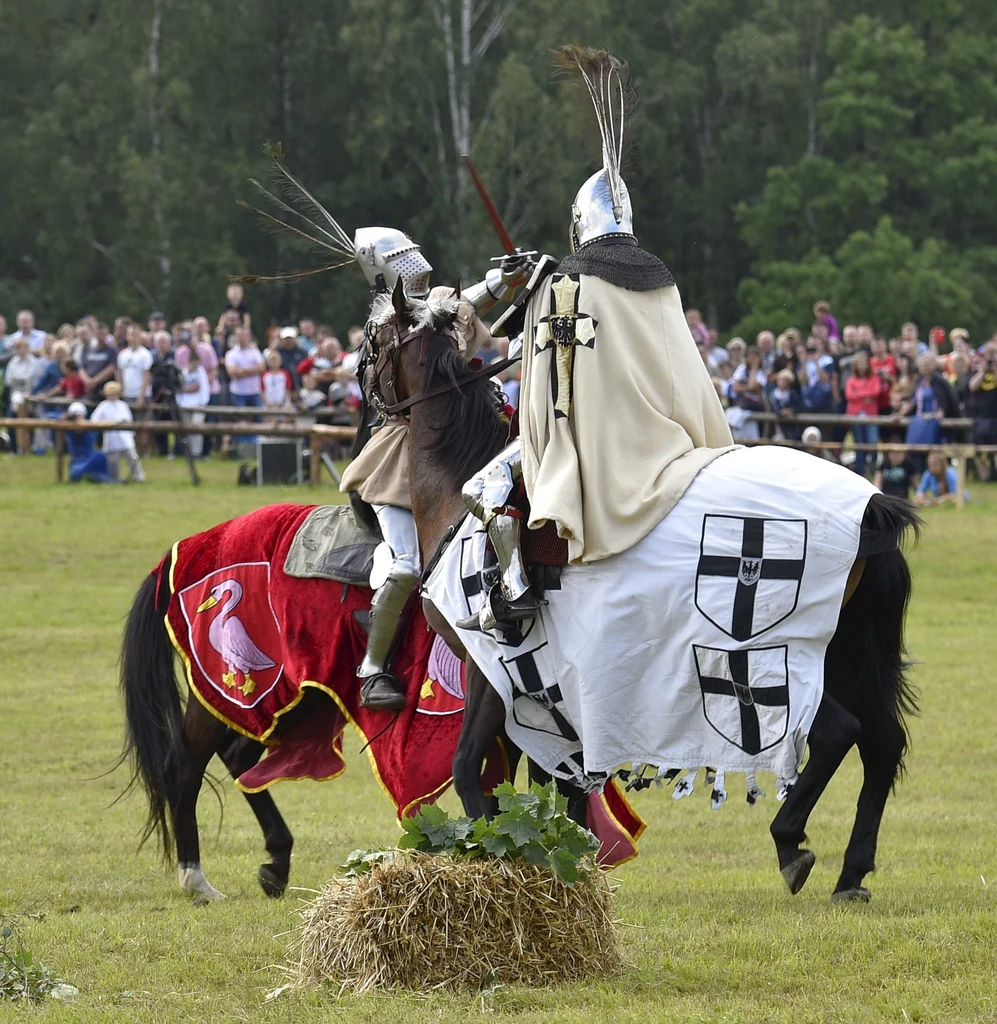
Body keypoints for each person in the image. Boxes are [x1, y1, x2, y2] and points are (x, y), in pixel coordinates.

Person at [467, 45, 734, 634]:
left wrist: (523, 287)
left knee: (484, 484)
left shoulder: (564, 282)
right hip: (671, 440)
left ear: (579, 221)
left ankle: (513, 595)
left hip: (593, 443)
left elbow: (535, 365)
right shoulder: (658, 278)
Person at [90, 381, 145, 482]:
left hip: (125, 436)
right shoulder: (103, 406)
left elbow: (129, 419)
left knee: (132, 458)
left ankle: (138, 477)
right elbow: (94, 419)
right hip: (111, 437)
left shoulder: (123, 405)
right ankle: (113, 478)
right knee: (112, 460)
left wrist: (126, 426)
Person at [224, 326, 265, 444]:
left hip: (254, 391)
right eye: (240, 335)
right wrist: (252, 370)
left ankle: (258, 443)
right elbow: (231, 372)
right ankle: (242, 444)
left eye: (245, 335)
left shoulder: (255, 352)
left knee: (258, 418)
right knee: (240, 419)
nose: (242, 338)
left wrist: (241, 371)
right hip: (238, 392)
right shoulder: (231, 354)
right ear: (236, 337)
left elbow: (261, 367)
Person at [844, 351, 882, 478]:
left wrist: (858, 394)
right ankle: (861, 473)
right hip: (855, 415)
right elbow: (849, 395)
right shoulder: (850, 380)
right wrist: (866, 395)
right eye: (858, 364)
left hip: (871, 415)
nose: (861, 366)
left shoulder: (874, 378)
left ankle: (873, 470)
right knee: (859, 444)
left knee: (873, 442)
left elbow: (876, 392)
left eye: (863, 363)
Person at [64, 402, 118, 484]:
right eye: (76, 415)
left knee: (101, 456)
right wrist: (66, 418)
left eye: (80, 415)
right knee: (76, 472)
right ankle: (92, 476)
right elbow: (51, 416)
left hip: (90, 457)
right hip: (77, 459)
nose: (79, 418)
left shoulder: (89, 426)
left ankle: (103, 478)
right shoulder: (69, 428)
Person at [4, 337, 42, 454]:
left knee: (30, 420)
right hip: (15, 395)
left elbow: (32, 380)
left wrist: (19, 379)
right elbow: (9, 380)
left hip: (30, 395)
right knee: (11, 420)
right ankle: (14, 448)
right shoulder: (13, 362)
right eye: (19, 348)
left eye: (24, 348)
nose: (21, 351)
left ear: (28, 349)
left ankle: (28, 447)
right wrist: (21, 379)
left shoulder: (33, 362)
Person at [967, 343, 997, 479]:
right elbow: (972, 386)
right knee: (978, 446)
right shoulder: (979, 371)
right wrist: (983, 371)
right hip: (982, 417)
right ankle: (983, 473)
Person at [176, 351, 210, 458]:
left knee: (196, 428)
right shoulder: (183, 373)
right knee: (186, 429)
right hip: (185, 405)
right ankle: (188, 452)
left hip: (198, 405)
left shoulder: (201, 372)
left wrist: (202, 403)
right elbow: (179, 389)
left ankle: (196, 453)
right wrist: (180, 402)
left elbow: (203, 388)